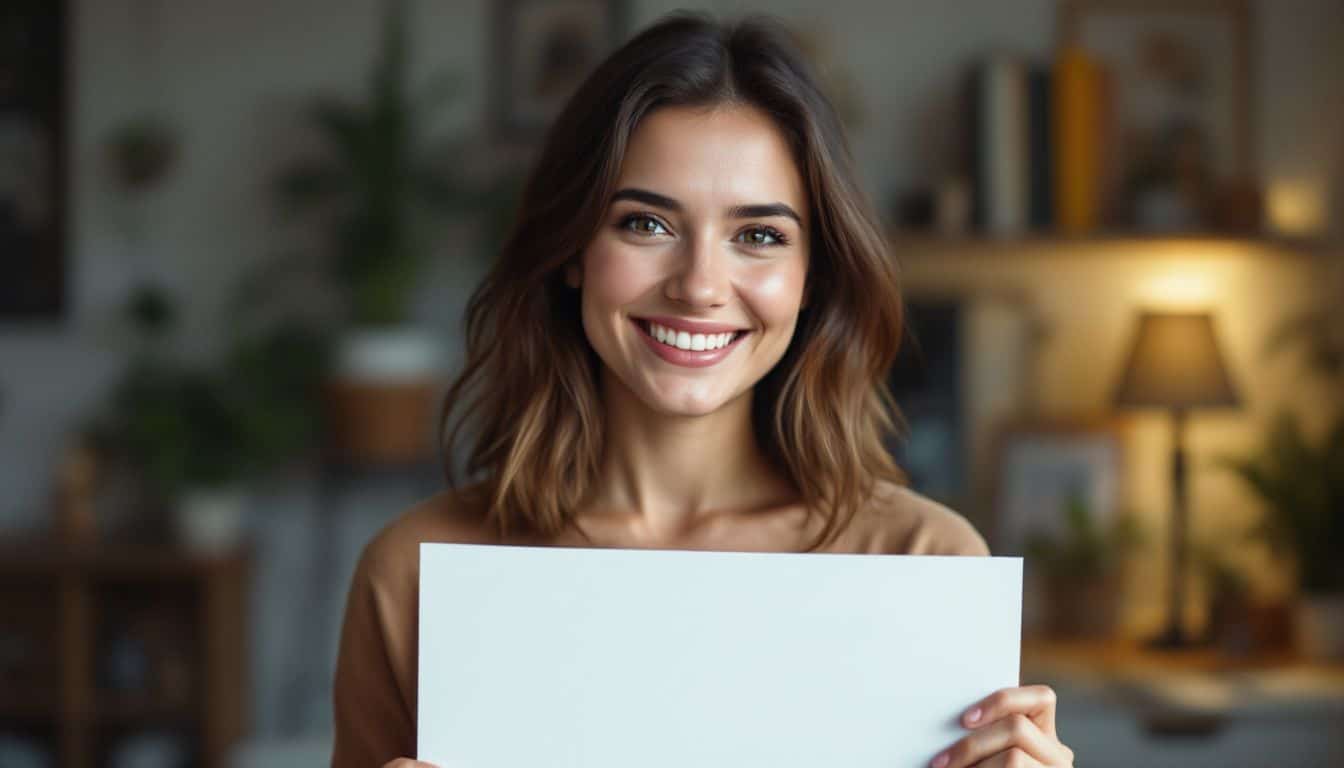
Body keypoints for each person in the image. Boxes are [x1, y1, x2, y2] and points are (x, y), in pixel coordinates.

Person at [333, 13, 1075, 768]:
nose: (698, 287)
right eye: (647, 223)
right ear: (572, 250)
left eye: (758, 236)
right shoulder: (413, 572)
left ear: (813, 276)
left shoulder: (928, 565)